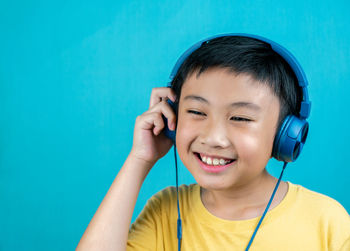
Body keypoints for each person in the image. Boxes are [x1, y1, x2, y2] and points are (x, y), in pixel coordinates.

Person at [76, 35, 350, 251]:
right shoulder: (166, 211)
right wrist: (139, 159)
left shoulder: (327, 222)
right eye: (196, 112)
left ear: (286, 134)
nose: (213, 138)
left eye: (240, 118)